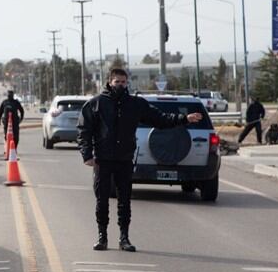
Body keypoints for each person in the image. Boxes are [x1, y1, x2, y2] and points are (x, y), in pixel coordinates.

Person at [77, 68, 202, 252]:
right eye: (117, 82)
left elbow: (160, 119)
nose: (120, 85)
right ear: (109, 82)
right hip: (102, 159)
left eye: (123, 82)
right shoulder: (96, 104)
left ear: (127, 83)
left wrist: (184, 119)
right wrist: (87, 155)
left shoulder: (135, 104)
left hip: (125, 158)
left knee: (124, 200)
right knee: (102, 199)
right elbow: (84, 130)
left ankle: (124, 238)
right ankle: (102, 237)